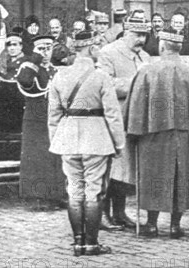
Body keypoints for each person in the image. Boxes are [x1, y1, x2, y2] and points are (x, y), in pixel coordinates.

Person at [48, 30, 126, 256]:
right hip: (97, 137)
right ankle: (91, 243)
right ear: (91, 49)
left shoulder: (60, 76)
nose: (100, 50)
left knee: (75, 190)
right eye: (98, 46)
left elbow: (53, 115)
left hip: (68, 136)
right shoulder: (101, 77)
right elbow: (112, 114)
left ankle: (78, 242)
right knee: (94, 191)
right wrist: (118, 144)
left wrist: (57, 140)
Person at [124, 30, 189, 239]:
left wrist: (132, 132)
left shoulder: (147, 71)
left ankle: (151, 224)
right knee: (182, 176)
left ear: (162, 47)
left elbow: (136, 105)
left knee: (153, 176)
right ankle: (175, 226)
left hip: (153, 134)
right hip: (185, 134)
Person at [97, 17, 151, 231]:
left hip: (135, 121)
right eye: (137, 35)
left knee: (126, 169)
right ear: (125, 32)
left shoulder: (145, 56)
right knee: (110, 168)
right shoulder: (108, 52)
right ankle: (101, 213)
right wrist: (136, 84)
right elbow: (105, 83)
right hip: (114, 120)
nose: (141, 40)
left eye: (144, 35)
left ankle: (119, 212)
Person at [16, 34, 65, 206]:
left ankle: (56, 195)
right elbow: (24, 80)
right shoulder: (29, 67)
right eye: (41, 48)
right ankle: (37, 197)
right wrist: (34, 58)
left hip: (54, 119)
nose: (46, 52)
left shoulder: (55, 70)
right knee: (36, 159)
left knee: (55, 158)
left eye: (48, 48)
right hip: (35, 120)